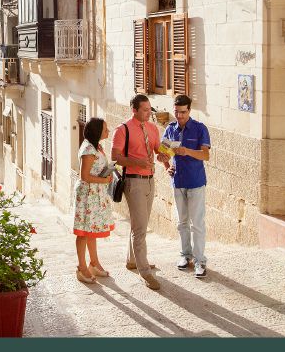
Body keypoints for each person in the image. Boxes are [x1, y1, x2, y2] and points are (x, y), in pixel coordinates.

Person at [111, 94, 170, 290]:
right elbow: (116, 157)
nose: (148, 112)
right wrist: (137, 162)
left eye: (149, 108)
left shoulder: (152, 128)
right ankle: (145, 272)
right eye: (144, 109)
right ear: (134, 110)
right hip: (133, 181)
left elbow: (157, 150)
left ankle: (132, 260)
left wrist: (164, 155)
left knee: (140, 224)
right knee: (140, 229)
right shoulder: (123, 130)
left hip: (150, 180)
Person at [163, 94, 211, 278]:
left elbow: (205, 155)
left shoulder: (200, 129)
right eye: (176, 112)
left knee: (197, 224)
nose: (180, 116)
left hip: (196, 182)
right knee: (182, 222)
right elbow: (163, 154)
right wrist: (167, 166)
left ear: (189, 110)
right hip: (178, 182)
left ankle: (200, 261)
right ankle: (185, 255)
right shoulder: (170, 129)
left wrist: (187, 151)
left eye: (183, 112)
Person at [72, 118, 115, 284]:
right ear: (97, 132)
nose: (108, 131)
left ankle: (94, 264)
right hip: (87, 196)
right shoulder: (88, 150)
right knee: (83, 232)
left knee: (92, 230)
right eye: (105, 129)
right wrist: (104, 181)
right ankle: (81, 268)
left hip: (95, 195)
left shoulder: (97, 146)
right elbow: (85, 176)